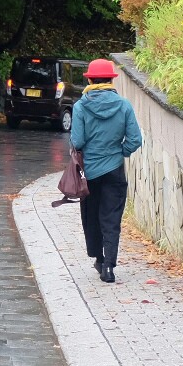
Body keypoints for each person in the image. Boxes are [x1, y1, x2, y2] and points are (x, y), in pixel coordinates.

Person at [68, 58, 142, 284]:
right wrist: (120, 152)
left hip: (89, 173)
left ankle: (99, 259)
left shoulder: (81, 106)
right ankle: (109, 266)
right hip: (114, 170)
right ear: (111, 80)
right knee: (111, 218)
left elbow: (77, 141)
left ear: (90, 79)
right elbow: (135, 140)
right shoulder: (124, 105)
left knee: (91, 217)